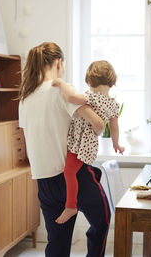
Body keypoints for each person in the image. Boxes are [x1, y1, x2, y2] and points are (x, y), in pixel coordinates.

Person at [18, 42, 111, 257]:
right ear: (59, 62)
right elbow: (98, 126)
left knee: (57, 244)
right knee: (103, 220)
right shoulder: (62, 90)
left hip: (44, 181)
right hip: (74, 176)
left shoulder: (25, 98)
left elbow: (33, 136)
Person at [52, 60, 125, 224]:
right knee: (74, 172)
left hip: (81, 143)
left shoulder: (90, 97)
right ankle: (72, 203)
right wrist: (116, 144)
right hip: (90, 145)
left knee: (69, 172)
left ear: (90, 81)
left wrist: (61, 83)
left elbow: (70, 97)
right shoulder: (113, 104)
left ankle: (71, 206)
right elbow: (114, 127)